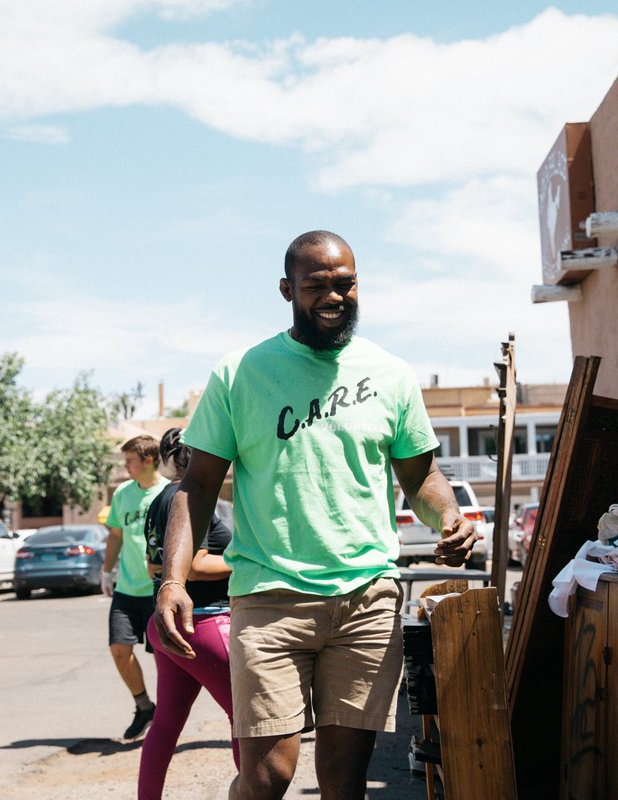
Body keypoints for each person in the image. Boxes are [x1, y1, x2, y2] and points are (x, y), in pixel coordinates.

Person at [155, 230, 478, 800]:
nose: (334, 296)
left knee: (344, 782)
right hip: (268, 598)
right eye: (316, 286)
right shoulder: (241, 373)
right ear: (286, 290)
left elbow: (420, 477)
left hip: (366, 600)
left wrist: (448, 517)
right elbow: (198, 483)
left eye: (346, 283)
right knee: (267, 776)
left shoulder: (391, 374)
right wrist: (173, 579)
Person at [138, 427, 238, 800]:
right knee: (246, 719)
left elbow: (153, 567)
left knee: (165, 725)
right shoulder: (193, 499)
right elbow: (194, 566)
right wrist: (243, 559)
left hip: (164, 626)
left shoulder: (159, 501)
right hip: (204, 622)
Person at [103, 434, 170, 741]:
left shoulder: (169, 493)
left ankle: (168, 717)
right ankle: (144, 706)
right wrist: (106, 571)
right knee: (119, 649)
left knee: (165, 659)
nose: (126, 466)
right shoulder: (122, 494)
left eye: (130, 460)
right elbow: (116, 535)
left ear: (148, 460)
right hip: (127, 589)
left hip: (159, 589)